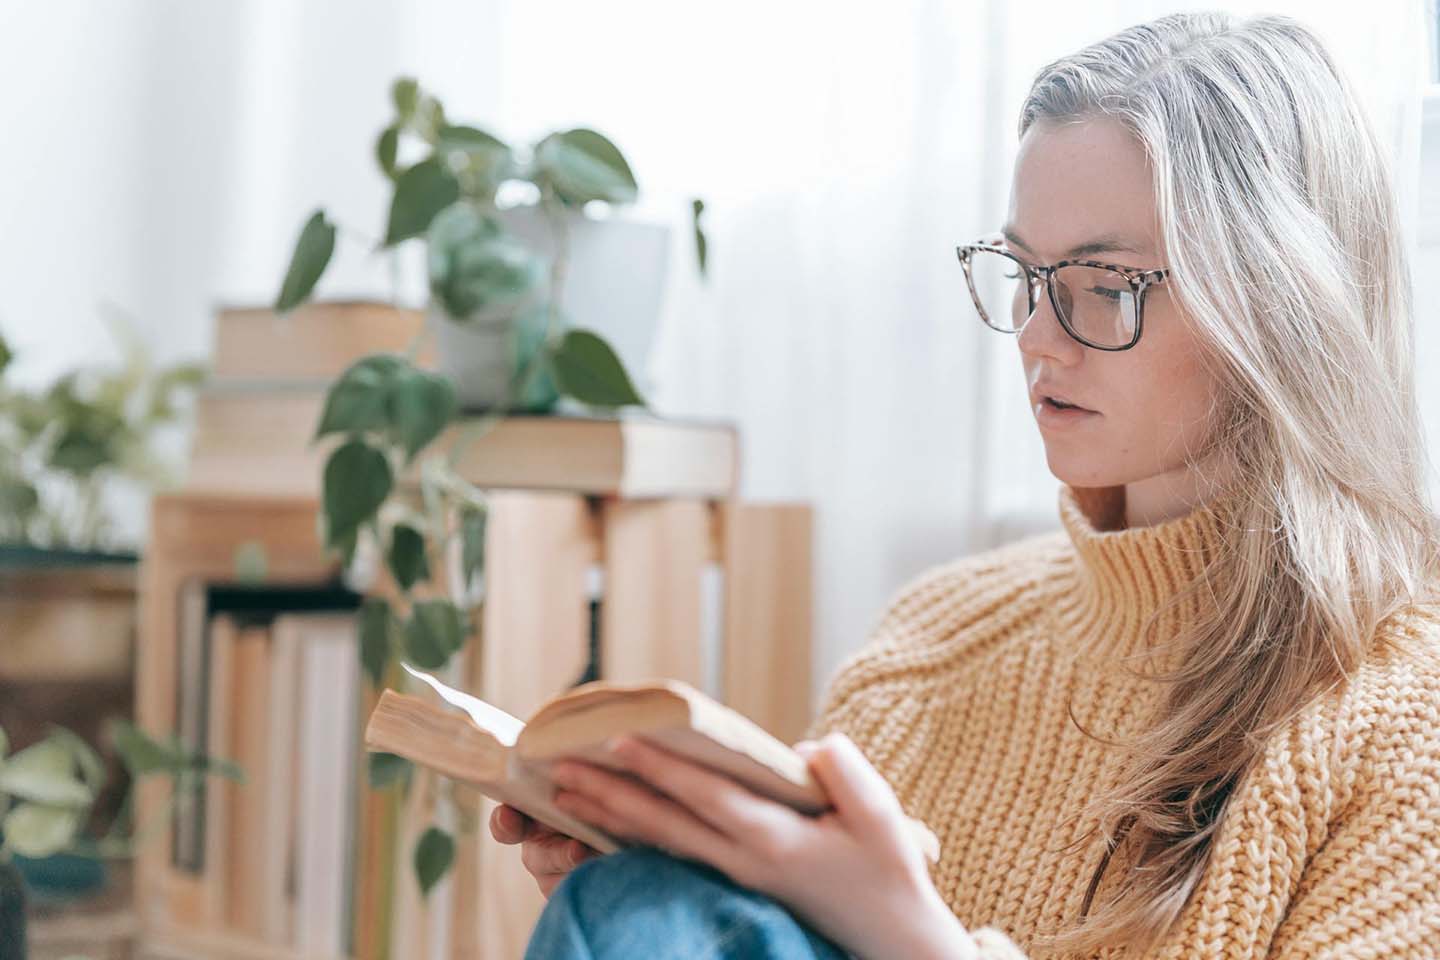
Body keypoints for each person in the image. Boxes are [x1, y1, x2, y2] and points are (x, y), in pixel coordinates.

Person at [492, 11, 1440, 958]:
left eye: (1104, 285)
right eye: (1025, 271)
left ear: (1281, 305)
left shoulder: (1400, 721)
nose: (1036, 334)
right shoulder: (934, 643)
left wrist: (911, 940)